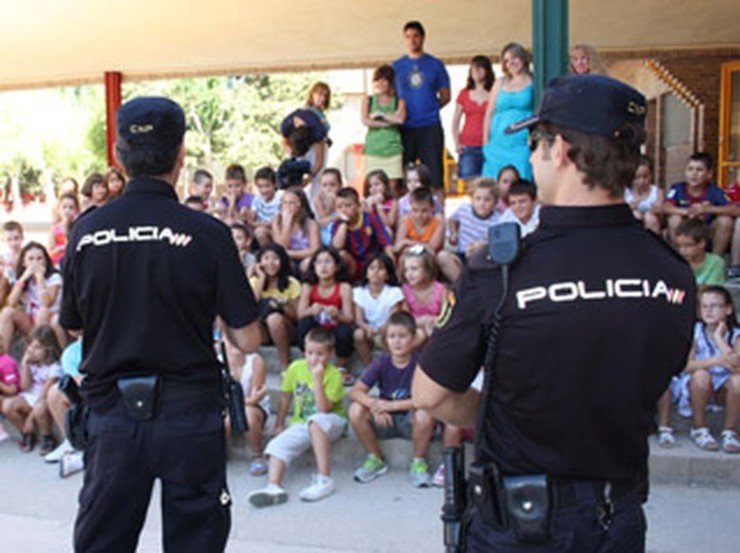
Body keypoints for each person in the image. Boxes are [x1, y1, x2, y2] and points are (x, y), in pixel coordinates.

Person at [413, 75, 696, 551]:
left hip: (522, 528)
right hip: (618, 520)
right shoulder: (672, 273)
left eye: (534, 141)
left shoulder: (498, 270)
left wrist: (500, 417)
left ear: (560, 149)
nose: (531, 154)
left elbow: (430, 393)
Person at [59, 96, 261, 552]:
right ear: (181, 152)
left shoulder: (86, 231)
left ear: (118, 154)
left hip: (111, 415)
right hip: (189, 415)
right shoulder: (208, 233)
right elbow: (248, 337)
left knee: (102, 541)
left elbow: (72, 326)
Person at [247, 327, 347, 507]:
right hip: (303, 423)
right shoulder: (296, 368)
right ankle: (273, 487)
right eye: (310, 353)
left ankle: (324, 480)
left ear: (331, 354)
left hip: (332, 421)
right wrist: (279, 423)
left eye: (320, 354)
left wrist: (317, 379)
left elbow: (324, 409)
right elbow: (286, 397)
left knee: (316, 421)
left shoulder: (334, 375)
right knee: (276, 446)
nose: (314, 359)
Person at [349, 311, 435, 487]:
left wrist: (390, 406)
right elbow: (356, 392)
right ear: (385, 340)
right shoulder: (382, 362)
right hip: (384, 419)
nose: (397, 341)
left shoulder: (421, 363)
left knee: (425, 413)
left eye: (402, 336)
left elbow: (425, 399)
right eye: (392, 336)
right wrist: (375, 405)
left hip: (410, 421)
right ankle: (375, 458)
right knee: (355, 410)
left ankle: (418, 463)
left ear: (413, 338)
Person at [659, 285, 740, 454]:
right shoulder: (694, 332)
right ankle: (699, 428)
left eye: (715, 306)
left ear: (728, 309)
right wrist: (718, 360)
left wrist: (719, 338)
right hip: (696, 387)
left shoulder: (736, 334)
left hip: (724, 390)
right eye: (704, 306)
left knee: (738, 381)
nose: (708, 311)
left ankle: (729, 432)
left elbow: (736, 365)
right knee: (701, 375)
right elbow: (686, 366)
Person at [393, 20, 451, 194]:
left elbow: (446, 96)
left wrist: (429, 107)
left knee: (434, 175)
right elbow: (389, 96)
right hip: (405, 127)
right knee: (403, 176)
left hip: (430, 126)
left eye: (416, 36)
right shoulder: (396, 67)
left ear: (423, 38)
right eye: (408, 37)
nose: (412, 40)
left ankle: (439, 213)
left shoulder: (435, 65)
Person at [0, 324, 62, 454]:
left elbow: (43, 396)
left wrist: (30, 419)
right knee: (7, 406)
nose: (31, 351)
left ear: (49, 349)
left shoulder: (54, 368)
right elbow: (25, 386)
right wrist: (24, 365)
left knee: (39, 409)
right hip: (31, 396)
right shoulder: (32, 364)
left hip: (45, 399)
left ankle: (47, 436)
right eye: (30, 346)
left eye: (37, 347)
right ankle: (26, 433)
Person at [296, 246, 355, 378]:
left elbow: (350, 318)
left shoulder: (344, 287)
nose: (323, 267)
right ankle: (308, 363)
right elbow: (300, 314)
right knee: (303, 324)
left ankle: (341, 368)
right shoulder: (308, 286)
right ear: (314, 266)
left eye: (328, 262)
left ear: (336, 267)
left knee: (345, 331)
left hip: (334, 327)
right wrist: (311, 311)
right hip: (316, 328)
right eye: (319, 262)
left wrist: (337, 315)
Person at [482, 43, 534, 182]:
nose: (511, 63)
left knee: (521, 179)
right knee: (493, 184)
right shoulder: (500, 82)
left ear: (523, 58)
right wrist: (486, 142)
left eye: (514, 58)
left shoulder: (533, 81)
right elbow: (489, 113)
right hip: (497, 142)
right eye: (506, 60)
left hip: (521, 142)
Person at [664, 152, 734, 254]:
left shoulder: (715, 191)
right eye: (690, 169)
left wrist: (708, 209)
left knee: (725, 220)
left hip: (708, 233)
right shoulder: (678, 188)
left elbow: (735, 209)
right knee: (674, 219)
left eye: (699, 170)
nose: (694, 174)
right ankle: (679, 259)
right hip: (685, 231)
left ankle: (714, 262)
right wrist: (688, 211)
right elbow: (666, 207)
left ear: (709, 174)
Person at [0, 242, 63, 352]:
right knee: (7, 312)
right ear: (24, 262)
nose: (35, 262)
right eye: (31, 259)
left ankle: (39, 353)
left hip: (49, 323)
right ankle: (3, 358)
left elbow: (46, 303)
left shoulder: (54, 277)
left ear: (45, 261)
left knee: (42, 312)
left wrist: (40, 278)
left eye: (39, 258)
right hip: (31, 323)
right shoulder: (24, 278)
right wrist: (23, 278)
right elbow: (11, 302)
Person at [437, 177, 500, 282]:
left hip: (484, 258)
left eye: (487, 199)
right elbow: (452, 219)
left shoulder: (498, 219)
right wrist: (453, 233)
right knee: (442, 257)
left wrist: (484, 246)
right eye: (478, 199)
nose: (482, 203)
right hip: (462, 254)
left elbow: (498, 243)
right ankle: (462, 286)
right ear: (472, 199)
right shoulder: (464, 210)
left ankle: (467, 286)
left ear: (495, 202)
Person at [249, 243, 301, 371]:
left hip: (285, 329)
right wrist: (261, 278)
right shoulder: (255, 281)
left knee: (274, 318)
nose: (271, 263)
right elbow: (249, 306)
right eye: (266, 258)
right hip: (261, 331)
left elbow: (297, 317)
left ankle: (285, 365)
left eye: (275, 258)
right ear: (260, 262)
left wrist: (282, 306)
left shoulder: (291, 283)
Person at [331, 187, 394, 280]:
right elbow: (337, 247)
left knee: (389, 248)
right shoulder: (338, 224)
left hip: (374, 259)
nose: (344, 210)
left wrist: (390, 261)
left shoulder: (370, 218)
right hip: (354, 263)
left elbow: (386, 243)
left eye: (348, 205)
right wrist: (344, 222)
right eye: (339, 207)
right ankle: (352, 283)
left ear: (358, 206)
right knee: (341, 254)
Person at [352, 252, 404, 366]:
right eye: (372, 268)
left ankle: (387, 367)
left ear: (387, 275)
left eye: (380, 268)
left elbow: (394, 317)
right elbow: (359, 319)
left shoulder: (394, 292)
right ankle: (369, 367)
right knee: (358, 334)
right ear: (366, 273)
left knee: (388, 333)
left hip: (387, 329)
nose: (375, 272)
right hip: (369, 331)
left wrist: (383, 328)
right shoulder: (359, 292)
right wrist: (367, 327)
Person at [362, 65, 406, 193]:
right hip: (373, 150)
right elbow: (365, 120)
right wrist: (388, 123)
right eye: (377, 79)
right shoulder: (368, 100)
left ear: (391, 82)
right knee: (373, 187)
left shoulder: (399, 101)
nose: (380, 83)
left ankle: (392, 212)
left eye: (384, 80)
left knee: (392, 188)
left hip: (393, 150)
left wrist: (380, 115)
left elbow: (401, 119)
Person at [452, 55, 495, 183]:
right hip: (468, 144)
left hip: (490, 143)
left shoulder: (494, 92)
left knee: (490, 181)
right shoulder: (464, 94)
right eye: (474, 69)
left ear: (487, 70)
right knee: (470, 182)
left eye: (481, 68)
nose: (477, 71)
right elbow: (455, 120)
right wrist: (456, 142)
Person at [400, 246, 446, 350]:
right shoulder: (405, 291)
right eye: (406, 269)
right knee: (420, 335)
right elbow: (405, 320)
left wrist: (433, 321)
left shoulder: (441, 290)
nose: (409, 274)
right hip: (413, 330)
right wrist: (423, 321)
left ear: (427, 269)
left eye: (414, 269)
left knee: (431, 333)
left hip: (436, 328)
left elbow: (445, 317)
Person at [271, 186, 320, 276]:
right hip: (286, 259)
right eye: (284, 203)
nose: (287, 206)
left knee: (306, 264)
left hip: (306, 258)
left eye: (292, 203)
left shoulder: (310, 223)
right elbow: (281, 248)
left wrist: (289, 253)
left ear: (300, 204)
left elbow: (314, 250)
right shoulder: (276, 221)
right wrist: (286, 225)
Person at [674, 218, 726, 285]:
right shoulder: (677, 262)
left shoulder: (716, 262)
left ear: (701, 243)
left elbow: (712, 288)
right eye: (679, 246)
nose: (682, 251)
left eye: (688, 245)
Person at [625, 155, 663, 234]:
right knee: (636, 215)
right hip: (631, 222)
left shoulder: (656, 191)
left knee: (650, 218)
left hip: (653, 221)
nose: (642, 181)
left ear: (651, 175)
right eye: (637, 177)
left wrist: (655, 209)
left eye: (645, 176)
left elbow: (660, 209)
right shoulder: (626, 193)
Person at [251, 166, 281, 247]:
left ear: (275, 185)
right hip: (260, 226)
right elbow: (252, 216)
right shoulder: (257, 198)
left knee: (260, 232)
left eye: (267, 186)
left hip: (277, 229)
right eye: (260, 187)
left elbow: (275, 222)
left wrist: (254, 224)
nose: (264, 190)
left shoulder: (280, 199)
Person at [48, 192, 80, 267]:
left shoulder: (78, 227)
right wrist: (60, 248)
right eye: (64, 207)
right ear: (59, 209)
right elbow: (49, 252)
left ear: (76, 210)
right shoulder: (54, 229)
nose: (67, 211)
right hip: (57, 263)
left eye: (71, 207)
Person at [363, 169, 399, 234]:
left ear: (385, 185)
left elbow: (389, 223)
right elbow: (366, 223)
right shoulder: (366, 202)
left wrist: (379, 205)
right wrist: (369, 207)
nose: (373, 189)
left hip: (385, 232)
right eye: (370, 186)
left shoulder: (393, 202)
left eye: (377, 184)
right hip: (371, 231)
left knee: (387, 230)